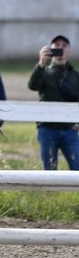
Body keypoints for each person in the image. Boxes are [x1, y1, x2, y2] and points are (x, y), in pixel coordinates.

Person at [28, 35, 79, 170]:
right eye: (56, 45)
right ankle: (50, 192)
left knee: (77, 167)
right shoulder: (44, 72)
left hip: (70, 130)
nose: (60, 48)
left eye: (64, 46)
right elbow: (33, 85)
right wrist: (41, 63)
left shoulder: (75, 76)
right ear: (50, 49)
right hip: (47, 129)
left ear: (69, 51)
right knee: (49, 170)